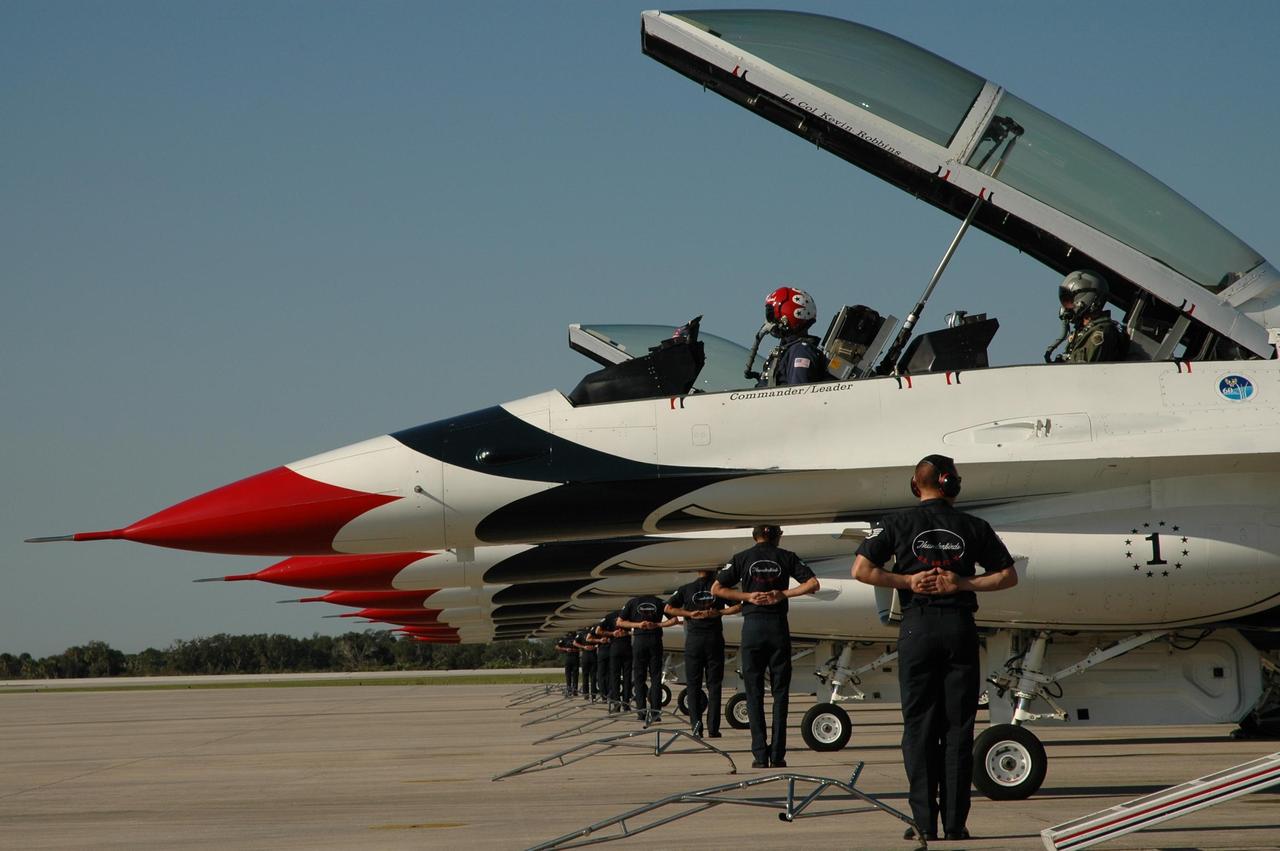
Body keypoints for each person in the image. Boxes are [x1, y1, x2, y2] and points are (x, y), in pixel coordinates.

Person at [851, 454, 1018, 843]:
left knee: (919, 727)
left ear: (916, 485)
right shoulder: (974, 526)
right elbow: (1007, 576)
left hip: (918, 629)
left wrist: (907, 582)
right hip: (958, 628)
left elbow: (861, 570)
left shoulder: (895, 524)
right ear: (951, 485)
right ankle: (956, 824)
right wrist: (962, 584)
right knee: (958, 727)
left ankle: (925, 822)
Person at [713, 524, 820, 768]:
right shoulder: (786, 557)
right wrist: (783, 593)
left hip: (752, 627)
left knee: (754, 692)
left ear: (754, 537)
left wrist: (747, 596)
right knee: (780, 693)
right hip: (777, 627)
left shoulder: (741, 558)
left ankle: (760, 755)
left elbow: (716, 588)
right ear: (778, 538)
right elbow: (813, 584)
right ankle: (778, 755)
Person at [666, 569, 741, 738]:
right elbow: (738, 606)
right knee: (714, 685)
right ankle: (713, 729)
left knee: (693, 685)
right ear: (714, 571)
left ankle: (696, 727)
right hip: (714, 639)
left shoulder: (686, 589)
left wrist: (689, 614)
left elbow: (669, 608)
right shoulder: (718, 589)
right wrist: (719, 612)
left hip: (693, 641)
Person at [618, 594, 678, 726]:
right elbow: (674, 620)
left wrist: (638, 625)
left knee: (639, 678)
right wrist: (657, 624)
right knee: (655, 677)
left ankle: (641, 711)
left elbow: (620, 622)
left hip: (640, 640)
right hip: (655, 639)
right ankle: (656, 713)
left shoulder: (632, 602)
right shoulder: (659, 602)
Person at [760, 286, 830, 386]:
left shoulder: (800, 351)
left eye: (770, 315)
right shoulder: (786, 351)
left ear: (786, 316)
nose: (768, 322)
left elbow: (798, 396)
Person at [1056, 270, 1127, 363]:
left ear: (1088, 298)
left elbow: (1082, 371)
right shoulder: (1083, 330)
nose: (1065, 307)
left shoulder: (1100, 332)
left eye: (1068, 300)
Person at [599, 610, 633, 713]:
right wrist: (626, 633)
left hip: (615, 648)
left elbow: (598, 631)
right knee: (627, 678)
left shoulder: (610, 616)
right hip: (627, 647)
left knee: (615, 678)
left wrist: (611, 633)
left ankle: (616, 704)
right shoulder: (630, 614)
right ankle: (626, 704)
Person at [573, 628, 597, 701]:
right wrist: (584, 647)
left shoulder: (593, 632)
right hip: (586, 654)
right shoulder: (583, 633)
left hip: (592, 654)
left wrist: (594, 646)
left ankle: (591, 694)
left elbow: (575, 642)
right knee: (587, 676)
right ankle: (589, 694)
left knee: (591, 676)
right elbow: (574, 643)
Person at [554, 631, 580, 696]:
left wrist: (577, 649)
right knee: (568, 675)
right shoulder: (565, 639)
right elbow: (557, 646)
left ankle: (574, 690)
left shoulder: (577, 638)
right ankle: (569, 689)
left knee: (575, 675)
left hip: (575, 657)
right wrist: (565, 649)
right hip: (568, 657)